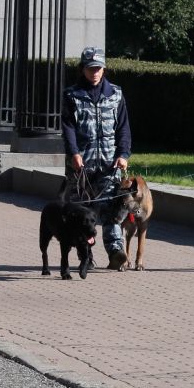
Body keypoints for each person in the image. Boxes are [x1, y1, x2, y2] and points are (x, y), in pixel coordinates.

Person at [60, 46, 132, 270]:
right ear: (82, 69)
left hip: (109, 164)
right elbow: (68, 128)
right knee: (82, 214)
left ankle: (116, 252)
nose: (95, 72)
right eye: (91, 68)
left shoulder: (115, 94)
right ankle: (86, 256)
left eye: (98, 68)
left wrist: (123, 154)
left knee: (111, 209)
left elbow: (123, 128)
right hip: (81, 165)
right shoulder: (71, 95)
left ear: (104, 69)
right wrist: (74, 153)